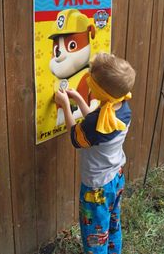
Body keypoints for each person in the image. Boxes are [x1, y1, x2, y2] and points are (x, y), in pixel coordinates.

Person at [55, 52, 136, 254]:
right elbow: (96, 123)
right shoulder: (122, 108)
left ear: (101, 92)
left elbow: (76, 137)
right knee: (112, 224)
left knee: (95, 236)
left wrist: (65, 105)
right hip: (116, 179)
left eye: (91, 81)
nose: (88, 82)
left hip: (96, 188)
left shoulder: (96, 122)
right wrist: (79, 99)